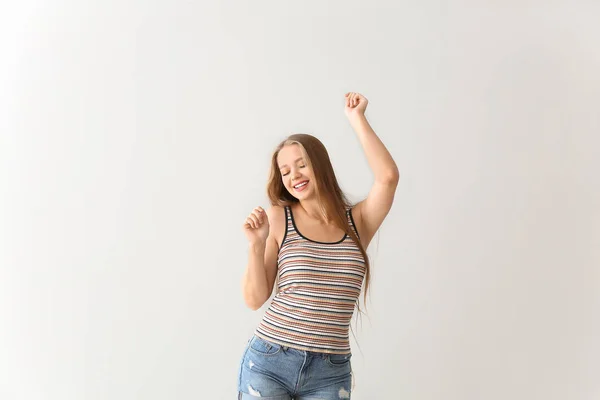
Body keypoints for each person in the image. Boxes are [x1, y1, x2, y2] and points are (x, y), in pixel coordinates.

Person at [237, 92, 399, 399]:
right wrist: (256, 247)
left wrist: (357, 119)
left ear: (321, 165)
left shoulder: (358, 223)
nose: (294, 175)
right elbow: (255, 298)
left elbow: (388, 178)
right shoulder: (279, 218)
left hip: (330, 371)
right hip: (270, 362)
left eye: (301, 165)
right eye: (285, 171)